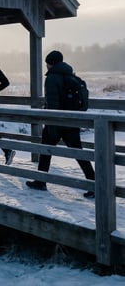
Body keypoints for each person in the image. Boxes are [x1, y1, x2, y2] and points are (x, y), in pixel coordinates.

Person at [26, 50, 95, 197]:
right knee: (79, 153)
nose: (46, 65)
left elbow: (53, 103)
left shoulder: (52, 78)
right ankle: (94, 184)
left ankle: (41, 181)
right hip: (71, 121)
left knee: (45, 151)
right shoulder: (69, 75)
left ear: (51, 63)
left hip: (56, 121)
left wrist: (51, 123)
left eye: (47, 63)